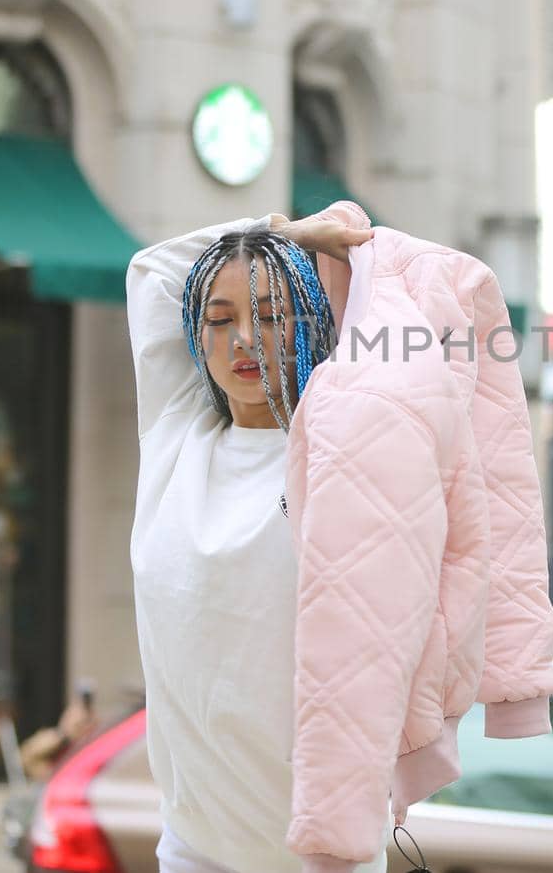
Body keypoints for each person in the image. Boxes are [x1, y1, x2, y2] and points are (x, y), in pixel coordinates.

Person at [128, 212, 377, 873]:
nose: (244, 337)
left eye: (270, 313)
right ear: (195, 332)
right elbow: (150, 270)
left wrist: (311, 250)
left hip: (322, 856)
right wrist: (278, 229)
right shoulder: (173, 436)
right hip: (194, 849)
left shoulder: (337, 446)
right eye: (220, 317)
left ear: (308, 324)